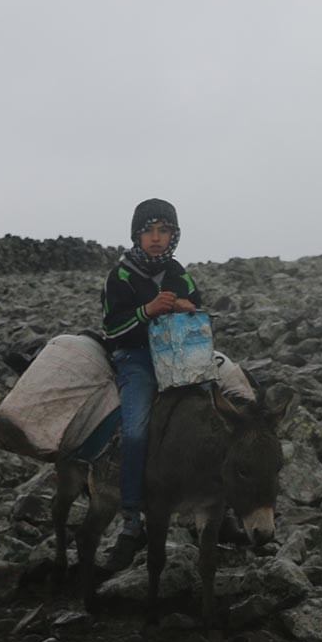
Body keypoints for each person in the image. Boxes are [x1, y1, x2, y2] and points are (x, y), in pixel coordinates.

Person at [99, 198, 203, 569]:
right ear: (136, 235)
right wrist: (148, 311)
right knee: (137, 430)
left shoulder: (179, 273)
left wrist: (189, 308)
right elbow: (112, 329)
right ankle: (131, 521)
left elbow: (200, 309)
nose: (156, 238)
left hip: (177, 356)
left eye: (164, 231)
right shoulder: (121, 276)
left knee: (215, 415)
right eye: (149, 231)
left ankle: (220, 508)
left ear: (173, 236)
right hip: (137, 361)